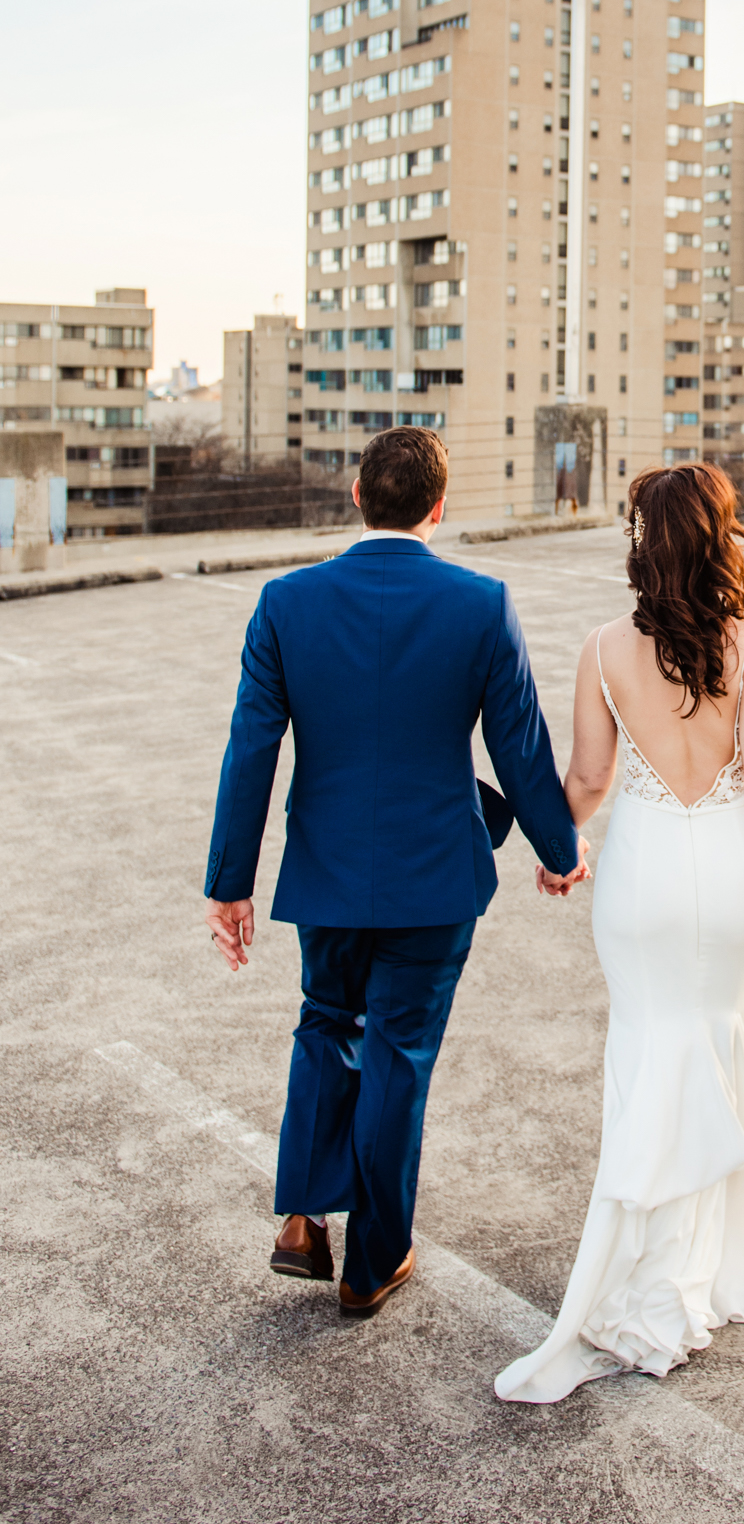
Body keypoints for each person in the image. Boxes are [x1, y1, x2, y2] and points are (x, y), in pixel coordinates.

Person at [202, 426, 584, 1316]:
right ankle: (371, 1263)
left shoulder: (285, 604)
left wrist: (231, 883)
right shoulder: (480, 603)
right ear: (438, 509)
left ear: (357, 497)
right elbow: (519, 743)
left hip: (327, 872)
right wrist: (560, 854)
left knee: (327, 1024)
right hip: (434, 878)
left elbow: (250, 749)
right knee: (399, 1053)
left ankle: (302, 1215)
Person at [495, 461, 744, 1405]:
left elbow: (590, 783)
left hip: (639, 885)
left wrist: (558, 848)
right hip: (734, 880)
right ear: (721, 535)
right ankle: (738, 1273)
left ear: (644, 543)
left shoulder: (604, 646)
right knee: (729, 1042)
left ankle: (653, 1271)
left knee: (653, 1048)